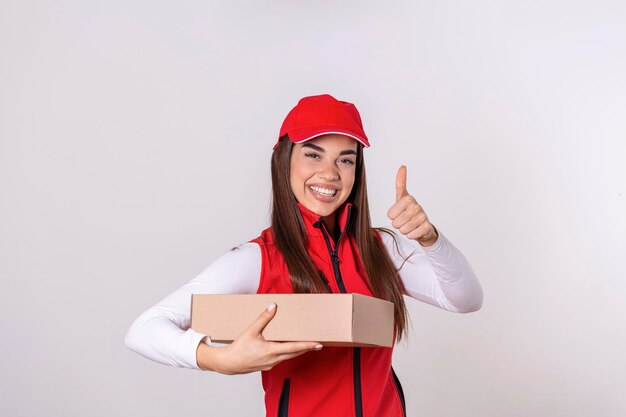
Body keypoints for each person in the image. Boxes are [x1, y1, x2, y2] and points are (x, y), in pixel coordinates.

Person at [125, 94, 483, 417]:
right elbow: (144, 329)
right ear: (285, 160)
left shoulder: (380, 250)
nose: (329, 173)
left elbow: (466, 299)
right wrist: (218, 358)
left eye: (346, 159)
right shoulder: (257, 258)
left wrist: (430, 239)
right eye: (313, 154)